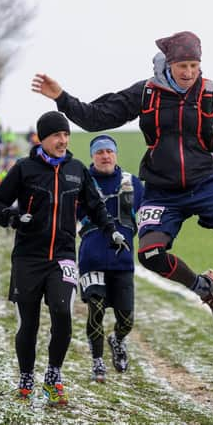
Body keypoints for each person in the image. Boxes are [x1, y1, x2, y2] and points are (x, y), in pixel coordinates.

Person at [31, 30, 213, 328]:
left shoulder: (212, 93)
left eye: (194, 65)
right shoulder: (146, 93)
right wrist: (61, 98)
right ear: (169, 64)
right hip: (162, 191)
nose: (189, 72)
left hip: (205, 182)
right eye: (183, 66)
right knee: (150, 253)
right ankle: (205, 290)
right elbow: (96, 118)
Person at [0, 111, 126, 405]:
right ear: (43, 138)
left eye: (66, 135)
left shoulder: (76, 169)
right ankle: (26, 377)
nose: (63, 140)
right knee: (29, 322)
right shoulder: (24, 169)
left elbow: (95, 206)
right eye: (56, 136)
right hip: (28, 257)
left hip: (63, 256)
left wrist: (111, 230)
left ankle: (53, 376)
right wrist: (12, 217)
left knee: (63, 314)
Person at [77, 134, 144, 383]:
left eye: (109, 151)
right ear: (92, 156)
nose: (105, 156)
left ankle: (117, 339)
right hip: (91, 258)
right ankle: (97, 363)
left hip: (122, 260)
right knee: (95, 309)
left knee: (126, 319)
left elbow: (149, 215)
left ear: (115, 154)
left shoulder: (133, 183)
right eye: (99, 152)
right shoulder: (81, 182)